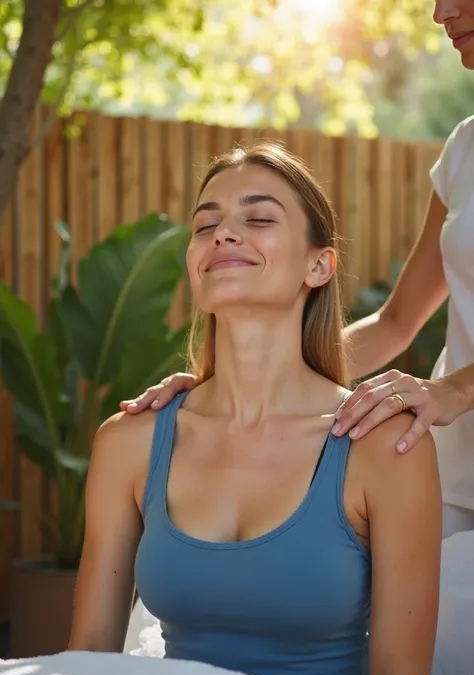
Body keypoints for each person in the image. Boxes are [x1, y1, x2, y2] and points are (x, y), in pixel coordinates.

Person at [69, 143, 442, 675]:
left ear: (319, 265)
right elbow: (89, 661)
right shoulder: (130, 441)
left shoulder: (386, 445)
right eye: (205, 225)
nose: (222, 234)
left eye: (259, 218)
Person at [121, 0, 474, 540]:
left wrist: (455, 389)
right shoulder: (464, 151)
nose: (441, 12)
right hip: (455, 469)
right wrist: (234, 386)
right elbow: (397, 322)